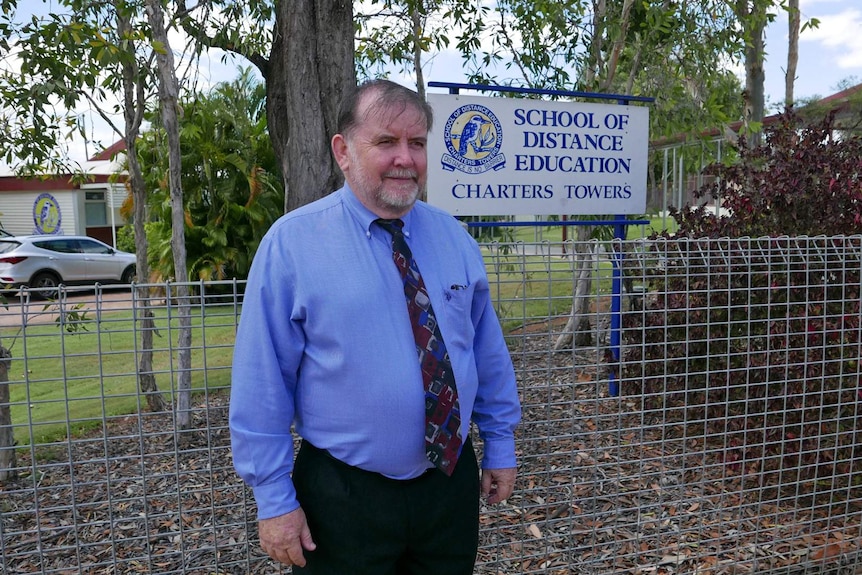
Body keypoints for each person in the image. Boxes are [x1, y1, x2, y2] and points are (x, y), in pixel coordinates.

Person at [229, 79, 521, 575]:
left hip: (447, 488)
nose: (405, 158)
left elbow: (486, 352)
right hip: (343, 497)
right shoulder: (292, 245)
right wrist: (274, 499)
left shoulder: (454, 239)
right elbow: (262, 383)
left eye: (417, 143)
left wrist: (500, 442)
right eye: (386, 142)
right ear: (343, 151)